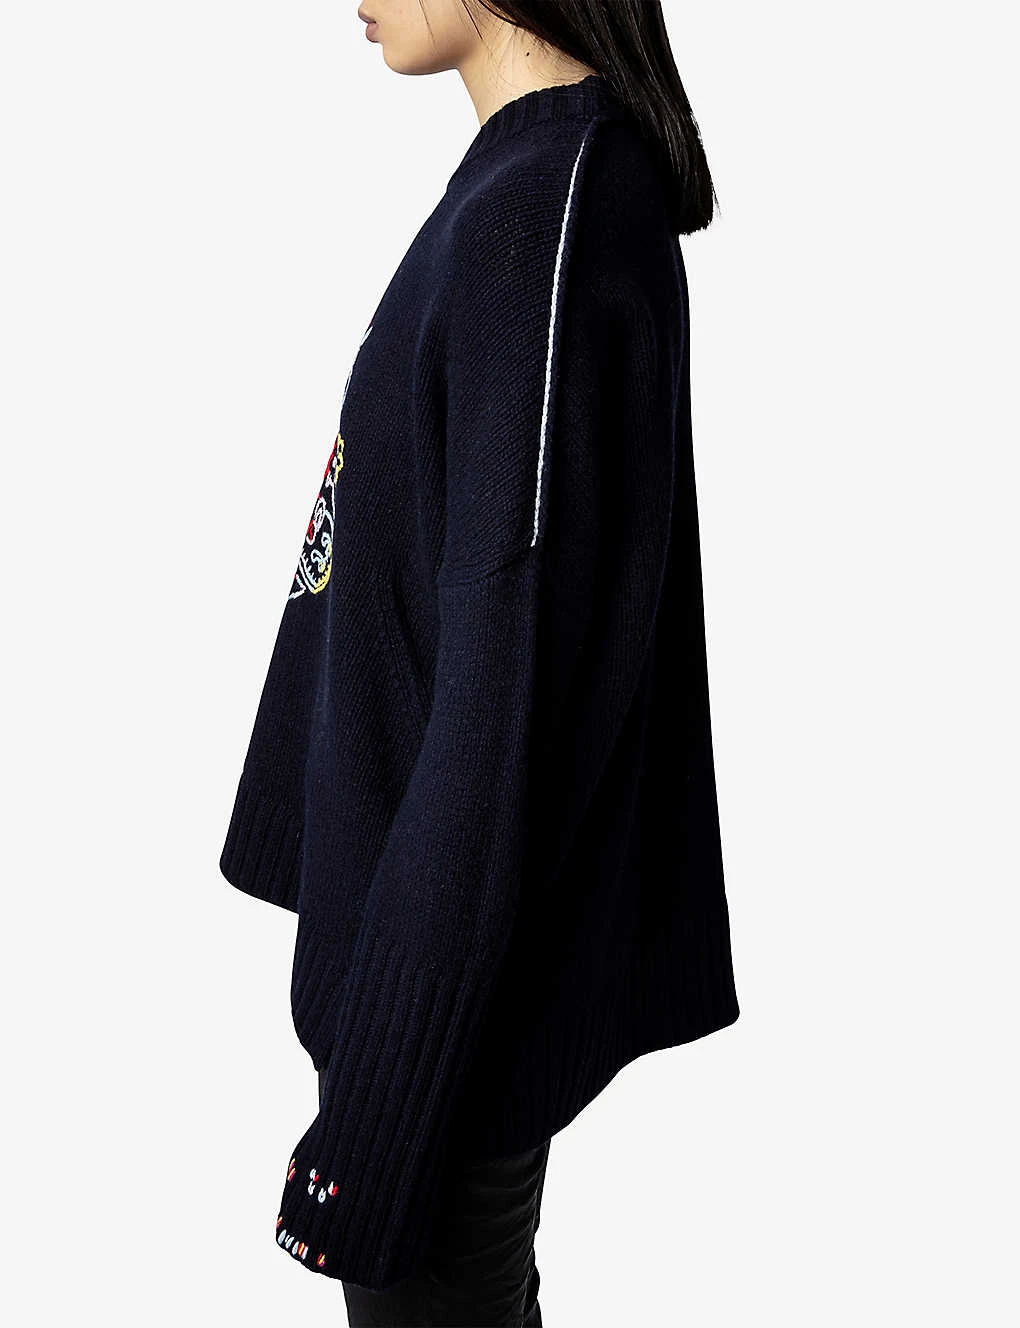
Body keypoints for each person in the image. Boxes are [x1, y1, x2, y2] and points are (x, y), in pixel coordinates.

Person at [218, 2, 740, 1323]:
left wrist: (383, 1099)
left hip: (444, 1036)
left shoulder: (546, 219)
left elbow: (502, 714)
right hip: (423, 988)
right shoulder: (519, 189)